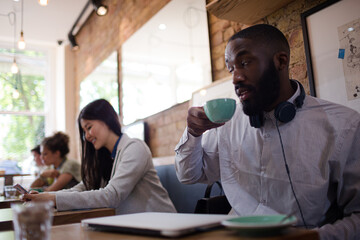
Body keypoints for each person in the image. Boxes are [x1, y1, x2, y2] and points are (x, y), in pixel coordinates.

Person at [174, 24, 360, 240]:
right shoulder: (227, 124)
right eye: (231, 69)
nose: (235, 78)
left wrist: (315, 237)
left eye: (244, 63)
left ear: (281, 61)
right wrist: (193, 134)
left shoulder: (344, 125)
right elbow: (189, 175)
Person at [24, 99, 176, 215]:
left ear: (107, 120)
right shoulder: (106, 156)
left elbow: (112, 196)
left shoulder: (135, 148)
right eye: (84, 131)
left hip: (161, 223)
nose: (87, 136)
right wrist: (47, 196)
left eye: (89, 127)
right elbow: (85, 186)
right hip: (135, 225)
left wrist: (53, 199)